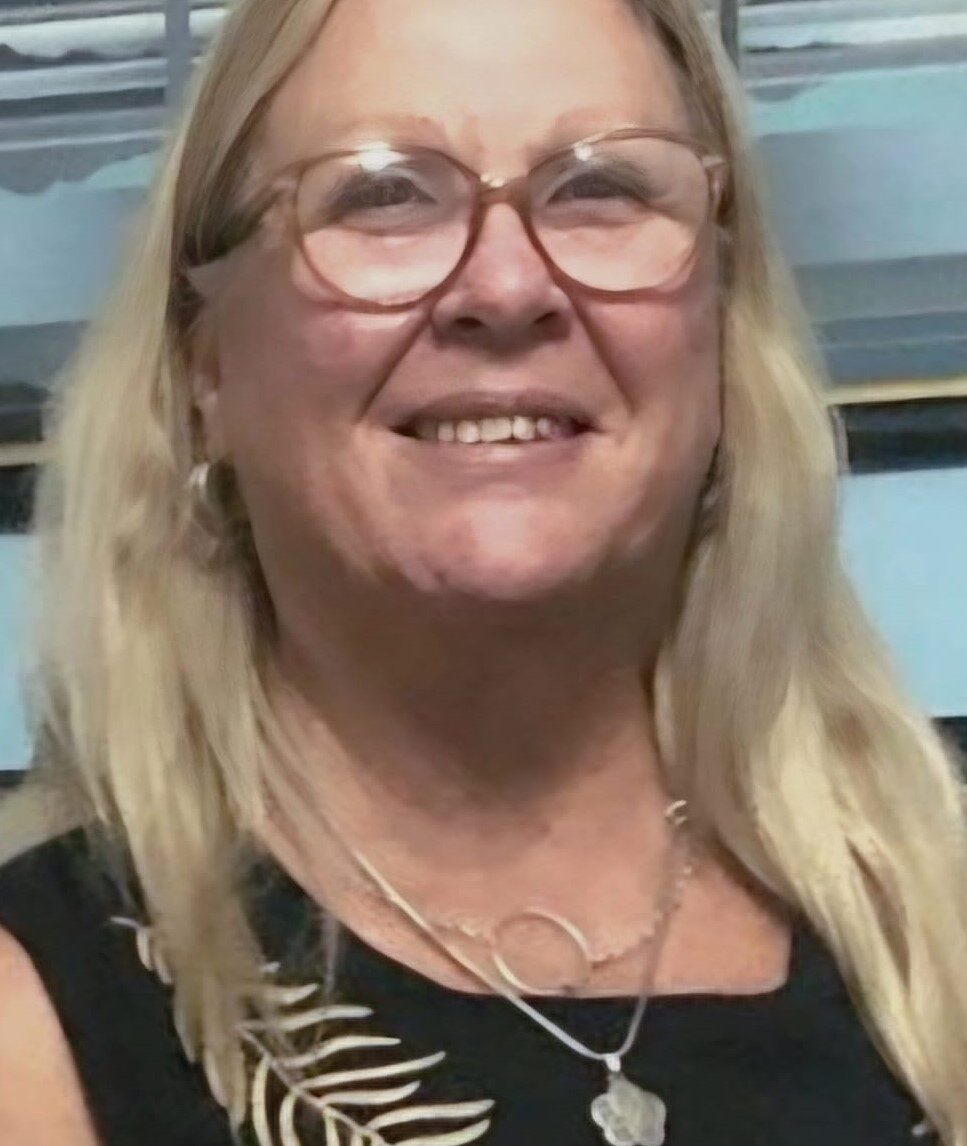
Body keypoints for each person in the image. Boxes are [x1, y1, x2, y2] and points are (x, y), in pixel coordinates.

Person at [0, 0, 964, 1142]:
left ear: (719, 328)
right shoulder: (31, 1023)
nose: (505, 289)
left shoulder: (938, 920)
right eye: (383, 194)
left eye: (599, 187)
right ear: (205, 364)